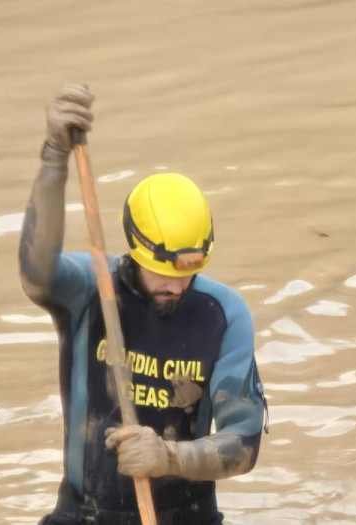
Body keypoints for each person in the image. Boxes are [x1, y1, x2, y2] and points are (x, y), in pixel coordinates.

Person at [19, 84, 266, 524]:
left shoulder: (223, 314)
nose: (176, 287)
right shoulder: (88, 290)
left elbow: (244, 443)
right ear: (134, 247)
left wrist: (169, 457)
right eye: (163, 273)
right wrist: (55, 156)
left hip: (186, 516)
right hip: (83, 514)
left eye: (187, 274)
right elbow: (35, 271)